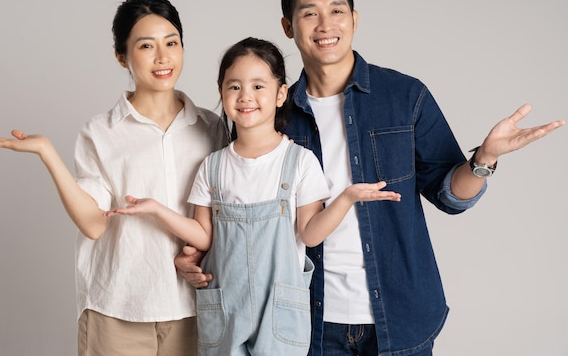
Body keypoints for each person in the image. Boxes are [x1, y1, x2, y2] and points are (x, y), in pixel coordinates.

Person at [176, 0, 566, 356]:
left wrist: (485, 158)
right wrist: (198, 258)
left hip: (399, 317)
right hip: (306, 323)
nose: (325, 25)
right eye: (310, 13)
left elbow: (451, 196)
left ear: (354, 19)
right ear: (288, 27)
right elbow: (234, 216)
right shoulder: (270, 115)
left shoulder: (403, 96)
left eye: (336, 11)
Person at [105, 37, 402, 356]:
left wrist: (345, 198)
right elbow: (204, 237)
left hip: (280, 314)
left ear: (280, 94)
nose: (246, 96)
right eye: (234, 87)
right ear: (221, 92)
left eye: (258, 86)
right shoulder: (213, 167)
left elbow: (310, 234)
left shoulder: (299, 162)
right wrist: (157, 210)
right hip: (225, 313)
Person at [0, 0, 227, 356]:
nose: (163, 57)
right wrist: (48, 153)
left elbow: (223, 216)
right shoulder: (100, 132)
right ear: (121, 56)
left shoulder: (212, 127)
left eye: (172, 43)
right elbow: (94, 223)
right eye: (146, 46)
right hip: (118, 310)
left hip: (195, 309)